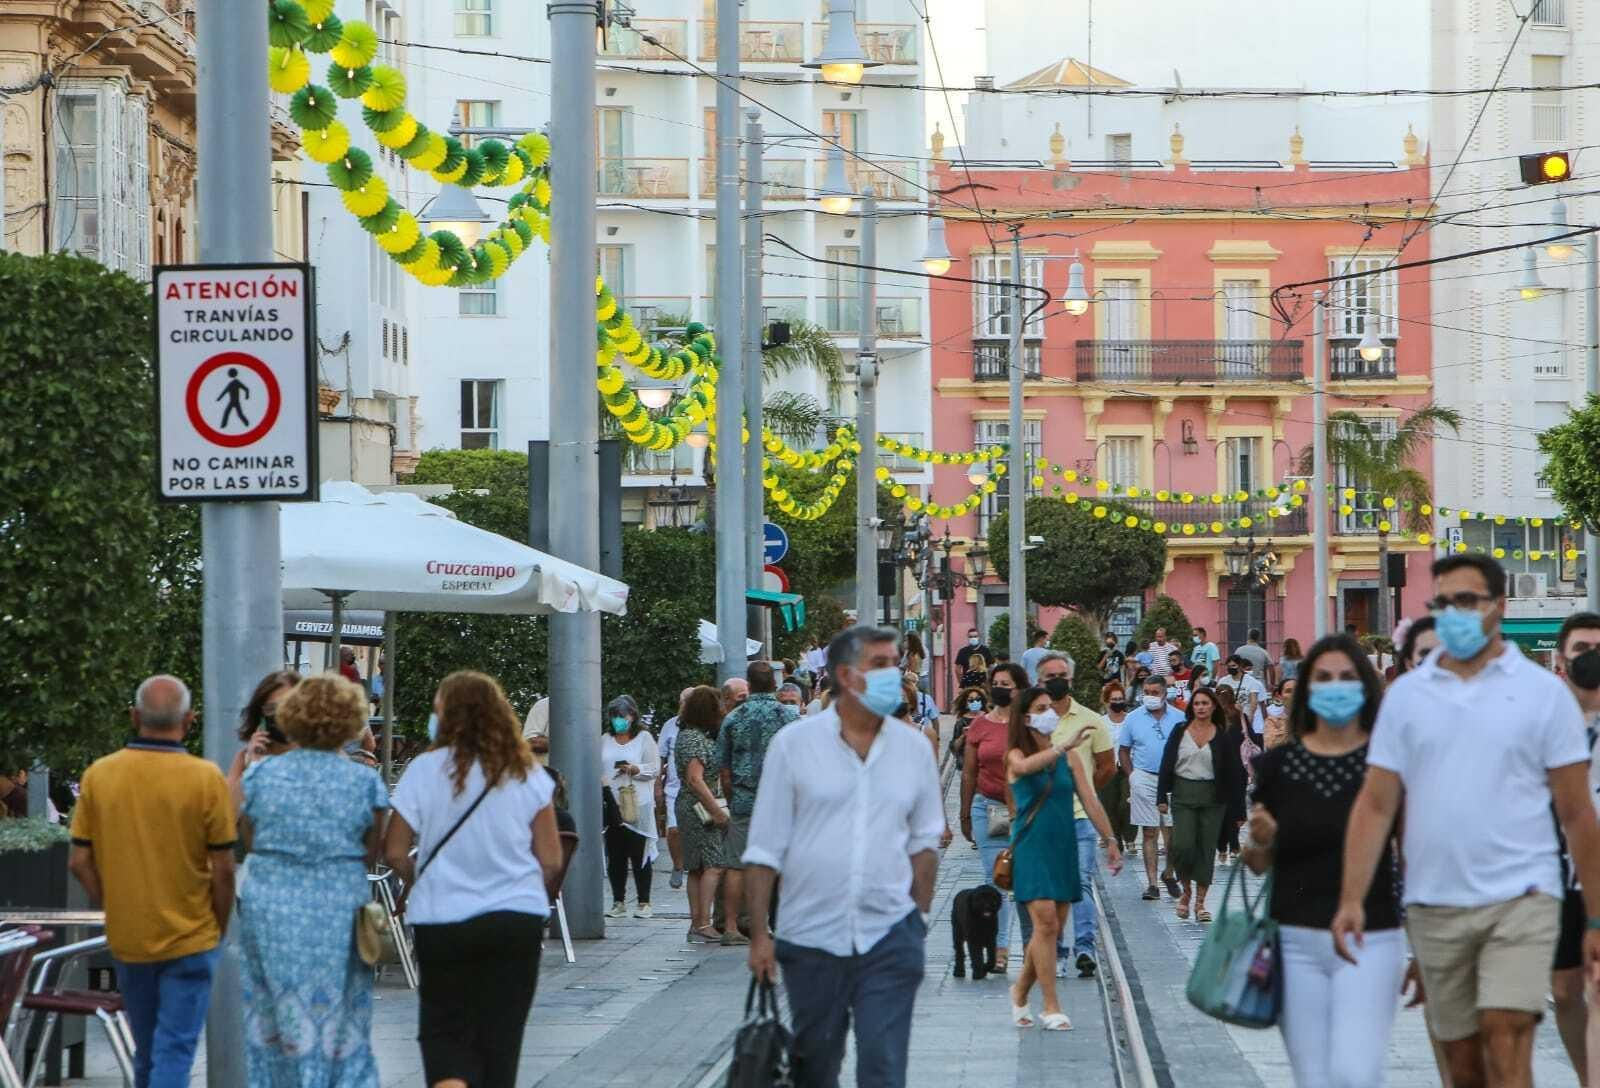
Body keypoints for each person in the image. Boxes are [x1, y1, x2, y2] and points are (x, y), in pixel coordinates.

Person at [1337, 555, 1600, 1088]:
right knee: (1463, 1064)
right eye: (1443, 603)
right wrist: (1351, 898)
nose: (1453, 614)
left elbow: (1577, 812)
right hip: (1435, 901)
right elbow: (1377, 804)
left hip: (1524, 896)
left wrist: (1596, 917)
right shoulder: (1406, 697)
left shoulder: (1542, 693)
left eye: (1466, 601)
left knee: (1507, 1034)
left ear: (1499, 606)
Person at [744, 626, 943, 1088]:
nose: (895, 673)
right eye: (880, 664)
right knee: (816, 1067)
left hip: (889, 935)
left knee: (884, 1068)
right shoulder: (794, 745)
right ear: (846, 675)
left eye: (895, 663)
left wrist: (917, 920)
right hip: (810, 936)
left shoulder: (913, 748)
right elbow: (764, 848)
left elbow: (925, 842)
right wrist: (759, 937)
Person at [385, 671, 562, 1088]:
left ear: (445, 717)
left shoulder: (423, 770)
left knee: (445, 1031)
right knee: (501, 1036)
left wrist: (420, 877)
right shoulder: (526, 773)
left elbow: (393, 851)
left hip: (441, 917)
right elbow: (552, 859)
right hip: (514, 919)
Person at [1242, 634, 1402, 1087]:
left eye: (1347, 677)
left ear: (1365, 687)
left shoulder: (1387, 762)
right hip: (1294, 938)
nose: (1336, 687)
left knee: (1356, 1073)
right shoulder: (1278, 767)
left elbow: (1409, 847)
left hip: (1371, 933)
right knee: (1312, 1077)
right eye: (1324, 678)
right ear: (1307, 689)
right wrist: (1261, 841)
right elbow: (1257, 863)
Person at [67, 676, 236, 1088]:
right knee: (173, 1051)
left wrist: (113, 904)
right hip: (192, 936)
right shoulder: (206, 778)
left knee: (146, 1050)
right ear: (189, 719)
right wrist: (217, 925)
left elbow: (79, 860)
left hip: (131, 936)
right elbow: (224, 869)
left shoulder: (100, 775)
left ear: (134, 716)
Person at [237, 673, 388, 1088]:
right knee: (342, 1009)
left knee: (271, 1008)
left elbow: (250, 840)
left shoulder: (262, 776)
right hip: (340, 904)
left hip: (271, 906)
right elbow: (372, 849)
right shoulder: (364, 781)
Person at [1004, 686, 1122, 1029]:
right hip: (1031, 846)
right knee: (1045, 923)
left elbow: (1090, 799)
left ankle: (1020, 991)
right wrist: (1061, 746)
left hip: (1064, 845)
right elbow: (1025, 767)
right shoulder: (1015, 755)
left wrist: (1110, 838)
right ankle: (1051, 1006)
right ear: (1026, 718)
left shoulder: (1069, 759)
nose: (1050, 714)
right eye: (1041, 708)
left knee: (1050, 928)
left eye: (1050, 708)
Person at [1037, 651, 1114, 978]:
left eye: (1061, 676)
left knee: (1080, 882)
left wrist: (1084, 789)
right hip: (1042, 819)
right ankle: (1056, 949)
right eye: (1050, 677)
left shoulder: (1091, 720)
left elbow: (1107, 766)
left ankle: (1085, 948)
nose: (1057, 681)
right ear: (1039, 681)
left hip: (1080, 817)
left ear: (1070, 679)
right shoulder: (1031, 721)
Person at [1549, 612, 1600, 1087]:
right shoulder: (1546, 720)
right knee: (1565, 990)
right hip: (1559, 873)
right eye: (1582, 649)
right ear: (1561, 660)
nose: (1592, 658)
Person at [718, 661, 798, 947]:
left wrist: (732, 799)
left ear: (749, 686)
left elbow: (724, 768)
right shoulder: (788, 717)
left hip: (744, 799)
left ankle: (730, 927)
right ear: (774, 685)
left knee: (736, 866)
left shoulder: (733, 718)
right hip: (780, 802)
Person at [958, 662, 1027, 972]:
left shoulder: (1028, 724)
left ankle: (1032, 945)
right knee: (996, 879)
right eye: (995, 683)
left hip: (1025, 810)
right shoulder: (980, 726)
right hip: (988, 807)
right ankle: (999, 948)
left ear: (1019, 689)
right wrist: (964, 814)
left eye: (1006, 684)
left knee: (1026, 882)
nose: (999, 688)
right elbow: (969, 772)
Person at [1156, 686, 1244, 922]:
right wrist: (1161, 796)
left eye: (1205, 703)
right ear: (1191, 707)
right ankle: (1186, 891)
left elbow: (1234, 772)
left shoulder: (1221, 735)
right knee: (1183, 845)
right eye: (1196, 703)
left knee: (1206, 848)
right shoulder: (1180, 731)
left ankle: (1200, 902)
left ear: (1213, 706)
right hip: (1183, 793)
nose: (1201, 707)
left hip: (1213, 797)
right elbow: (1167, 762)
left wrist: (1239, 809)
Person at [1117, 674, 1186, 902]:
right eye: (1146, 692)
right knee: (1149, 831)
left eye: (1155, 693)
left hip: (1173, 780)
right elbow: (1123, 750)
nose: (1150, 696)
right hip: (1144, 777)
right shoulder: (1133, 718)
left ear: (1165, 693)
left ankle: (1169, 873)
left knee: (1172, 832)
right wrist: (1132, 776)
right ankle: (1152, 884)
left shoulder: (1179, 717)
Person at [673, 685, 728, 943]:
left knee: (696, 867)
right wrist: (716, 810)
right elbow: (695, 779)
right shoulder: (695, 740)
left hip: (688, 805)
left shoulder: (687, 735)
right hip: (699, 807)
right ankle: (703, 922)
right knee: (714, 865)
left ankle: (697, 923)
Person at [600, 695, 660, 918]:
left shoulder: (644, 738)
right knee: (615, 855)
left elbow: (654, 768)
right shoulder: (605, 739)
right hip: (612, 803)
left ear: (632, 716)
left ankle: (644, 902)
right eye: (614, 716)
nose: (618, 721)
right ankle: (618, 901)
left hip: (638, 802)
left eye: (622, 716)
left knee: (639, 852)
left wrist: (635, 769)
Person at [226, 670, 301, 813]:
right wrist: (253, 767)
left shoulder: (317, 754)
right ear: (261, 715)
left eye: (289, 706)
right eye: (272, 708)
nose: (281, 714)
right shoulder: (245, 758)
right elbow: (228, 814)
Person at [656, 687, 694, 891]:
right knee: (674, 830)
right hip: (674, 788)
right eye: (683, 701)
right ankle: (678, 866)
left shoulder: (706, 725)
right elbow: (660, 757)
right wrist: (657, 785)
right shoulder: (670, 726)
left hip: (698, 788)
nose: (685, 705)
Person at [1097, 680, 1136, 856]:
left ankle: (1130, 837)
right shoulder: (1100, 722)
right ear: (1107, 701)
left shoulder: (1131, 720)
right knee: (1109, 805)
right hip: (1108, 768)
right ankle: (1115, 839)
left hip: (1128, 768)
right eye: (1114, 699)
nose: (1118, 702)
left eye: (1120, 699)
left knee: (1126, 804)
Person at [1218, 653, 1267, 721]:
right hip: (1229, 717)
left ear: (1240, 666)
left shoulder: (1251, 681)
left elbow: (1253, 701)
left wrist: (1250, 717)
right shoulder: (1222, 681)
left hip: (1245, 715)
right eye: (1229, 666)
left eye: (1233, 665)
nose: (1231, 668)